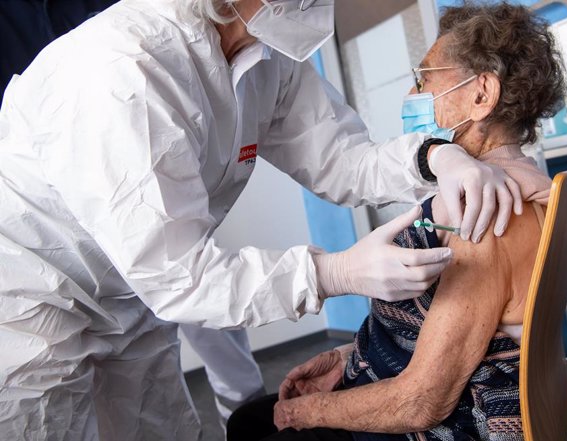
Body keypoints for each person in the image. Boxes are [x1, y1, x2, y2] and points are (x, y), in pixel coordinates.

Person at [0, 0, 525, 439]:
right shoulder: (124, 70)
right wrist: (334, 273)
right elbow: (180, 275)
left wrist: (432, 157)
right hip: (35, 298)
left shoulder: (265, 49)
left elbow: (342, 159)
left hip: (130, 300)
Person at [227, 2, 567, 440]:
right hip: (440, 379)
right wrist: (351, 357)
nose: (413, 96)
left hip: (450, 418)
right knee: (248, 420)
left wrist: (305, 413)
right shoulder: (520, 181)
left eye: (424, 79)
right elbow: (452, 331)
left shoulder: (487, 215)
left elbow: (420, 401)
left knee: (260, 424)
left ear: (481, 94)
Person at [0, 1, 263, 435]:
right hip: (38, 220)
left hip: (138, 184)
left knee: (177, 329)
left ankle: (245, 411)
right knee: (42, 395)